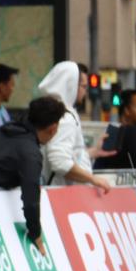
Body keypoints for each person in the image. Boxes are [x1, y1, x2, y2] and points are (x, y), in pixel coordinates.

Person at [0, 96, 67, 256]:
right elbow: (31, 200)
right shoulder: (31, 153)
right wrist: (36, 233)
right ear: (53, 128)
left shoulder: (5, 130)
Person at [36, 61, 113, 192]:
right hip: (64, 195)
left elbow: (66, 155)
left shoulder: (48, 110)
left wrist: (92, 152)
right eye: (84, 86)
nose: (86, 92)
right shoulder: (65, 116)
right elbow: (60, 161)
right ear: (70, 85)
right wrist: (93, 179)